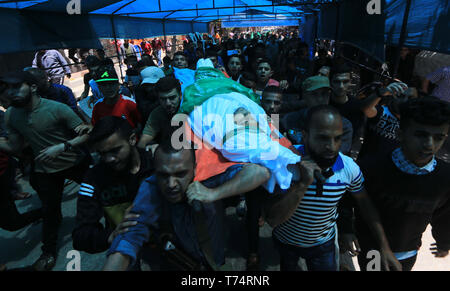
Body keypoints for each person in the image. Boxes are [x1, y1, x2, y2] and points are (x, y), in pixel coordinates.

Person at [267, 105, 401, 271]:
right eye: (322, 138)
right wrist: (302, 185)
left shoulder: (348, 169)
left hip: (322, 244)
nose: (331, 146)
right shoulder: (285, 164)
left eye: (337, 138)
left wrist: (384, 246)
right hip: (285, 240)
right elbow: (272, 219)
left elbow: (365, 205)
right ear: (305, 136)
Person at [103, 140, 270, 271]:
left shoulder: (208, 176)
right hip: (178, 262)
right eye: (163, 175)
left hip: (215, 256)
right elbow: (130, 237)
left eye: (180, 174)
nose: (171, 184)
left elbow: (260, 173)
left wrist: (213, 193)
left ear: (195, 168)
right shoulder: (150, 188)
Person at [0, 71, 91, 270]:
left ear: (32, 88)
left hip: (74, 162)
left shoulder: (57, 109)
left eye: (17, 87)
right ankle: (48, 252)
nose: (11, 93)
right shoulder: (11, 115)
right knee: (50, 211)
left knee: (99, 195)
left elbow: (86, 133)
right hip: (45, 170)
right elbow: (14, 146)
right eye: (8, 90)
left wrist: (63, 147)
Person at [350, 96, 450, 271]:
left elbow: (444, 212)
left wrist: (443, 241)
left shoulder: (445, 177)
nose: (429, 144)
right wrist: (346, 229)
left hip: (408, 251)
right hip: (374, 250)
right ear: (400, 133)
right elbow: (349, 200)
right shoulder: (372, 167)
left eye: (438, 137)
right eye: (421, 134)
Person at [72, 116, 153, 254]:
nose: (109, 159)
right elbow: (81, 235)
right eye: (102, 153)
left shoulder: (156, 162)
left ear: (132, 139)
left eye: (115, 150)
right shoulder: (93, 179)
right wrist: (111, 236)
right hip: (128, 245)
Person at [282, 76, 353, 154]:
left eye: (324, 94)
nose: (320, 99)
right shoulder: (291, 119)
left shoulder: (343, 126)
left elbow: (337, 154)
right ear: (304, 95)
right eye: (314, 94)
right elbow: (273, 140)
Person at [137, 76, 182, 149]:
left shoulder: (190, 110)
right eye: (163, 99)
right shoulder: (157, 113)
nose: (168, 103)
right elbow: (143, 141)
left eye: (172, 98)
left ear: (180, 95)